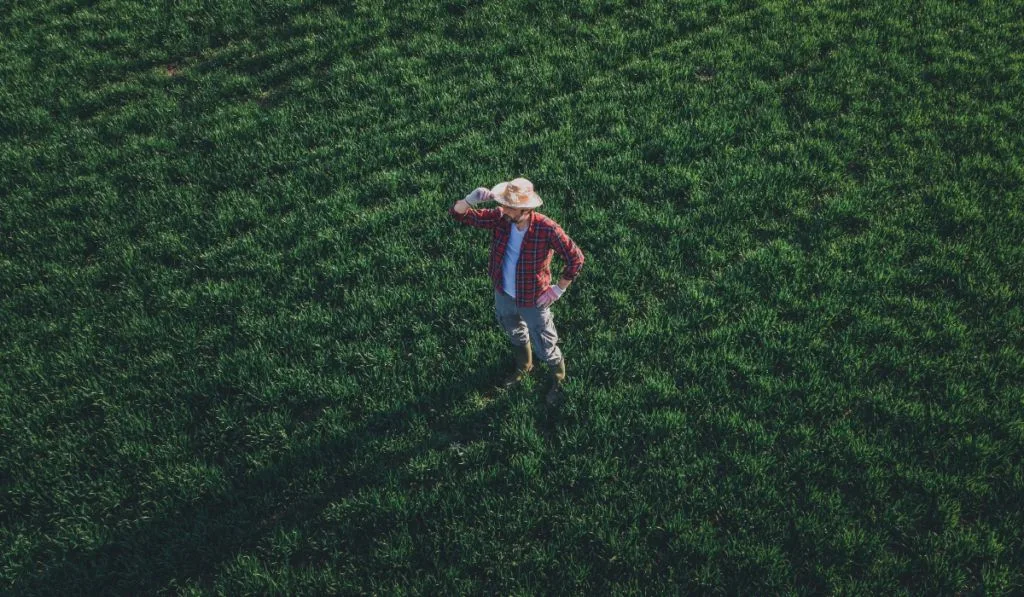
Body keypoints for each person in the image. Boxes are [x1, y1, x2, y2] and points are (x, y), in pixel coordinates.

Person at [450, 178, 585, 405]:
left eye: (509, 206)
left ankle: (558, 379)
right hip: (504, 292)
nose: (502, 209)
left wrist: (559, 289)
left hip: (533, 298)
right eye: (503, 203)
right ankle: (524, 366)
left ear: (526, 209)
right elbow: (459, 215)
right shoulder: (500, 218)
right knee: (513, 330)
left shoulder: (546, 228)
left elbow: (576, 258)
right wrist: (469, 200)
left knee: (544, 342)